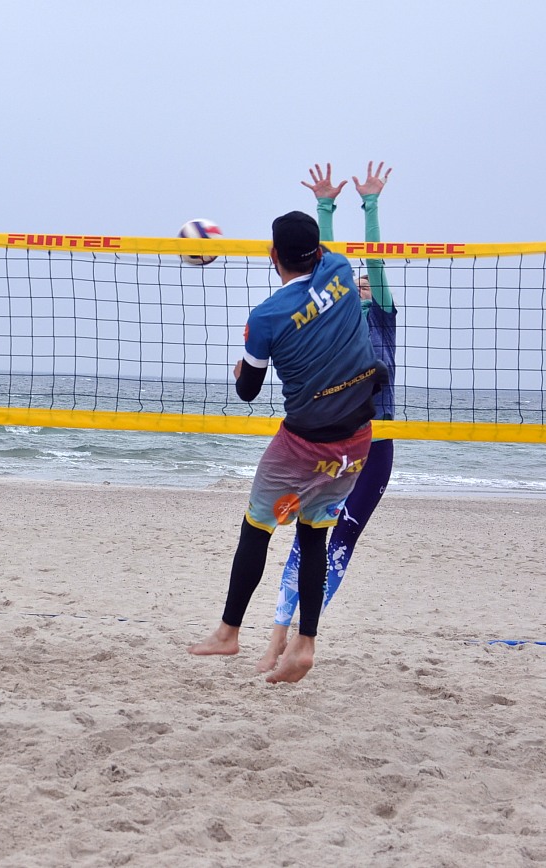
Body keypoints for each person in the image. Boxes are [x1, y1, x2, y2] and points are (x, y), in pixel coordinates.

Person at [188, 210, 386, 683]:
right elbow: (326, 254)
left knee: (258, 527)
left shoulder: (266, 317)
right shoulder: (339, 268)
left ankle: (228, 632)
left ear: (273, 255)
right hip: (356, 444)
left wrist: (242, 367)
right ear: (317, 252)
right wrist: (326, 209)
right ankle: (305, 643)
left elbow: (248, 391)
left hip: (301, 447)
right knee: (313, 535)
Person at [256, 161, 398, 673]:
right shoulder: (332, 314)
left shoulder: (380, 314)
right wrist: (324, 207)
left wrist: (370, 203)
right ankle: (276, 637)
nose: (359, 283)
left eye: (366, 282)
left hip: (374, 444)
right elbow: (325, 264)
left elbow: (374, 263)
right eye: (352, 281)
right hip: (328, 442)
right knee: (307, 536)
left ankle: (300, 638)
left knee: (342, 540)